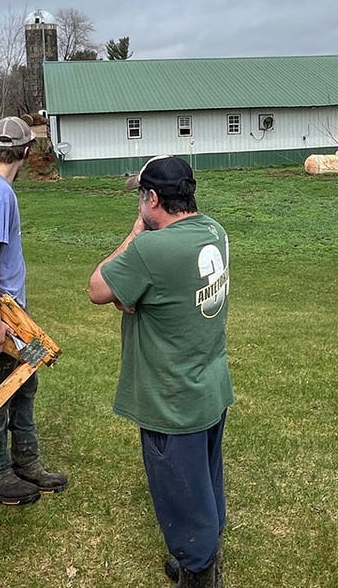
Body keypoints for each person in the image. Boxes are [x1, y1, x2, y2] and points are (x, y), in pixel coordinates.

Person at [88, 155, 233, 588]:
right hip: (208, 383)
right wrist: (132, 294)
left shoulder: (152, 249)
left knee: (180, 493)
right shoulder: (214, 231)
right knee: (205, 479)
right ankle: (204, 550)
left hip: (170, 397)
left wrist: (135, 235)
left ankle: (199, 569)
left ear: (152, 198)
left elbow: (98, 287)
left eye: (140, 197)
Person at [0, 116, 67, 505]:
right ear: (25, 151)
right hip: (1, 311)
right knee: (2, 387)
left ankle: (27, 462)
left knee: (26, 381)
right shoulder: (0, 193)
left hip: (7, 308)